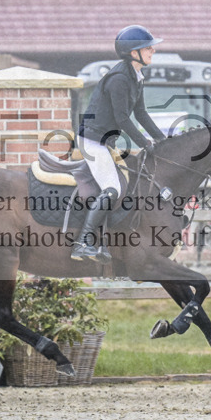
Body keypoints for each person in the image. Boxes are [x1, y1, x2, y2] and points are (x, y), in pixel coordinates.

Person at [72, 25, 167, 262]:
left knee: (126, 185)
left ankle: (104, 241)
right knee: (112, 188)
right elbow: (123, 118)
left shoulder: (136, 76)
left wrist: (162, 140)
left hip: (105, 141)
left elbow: (141, 114)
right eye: (148, 48)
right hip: (92, 141)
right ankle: (82, 243)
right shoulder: (120, 79)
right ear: (133, 53)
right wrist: (144, 143)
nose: (153, 50)